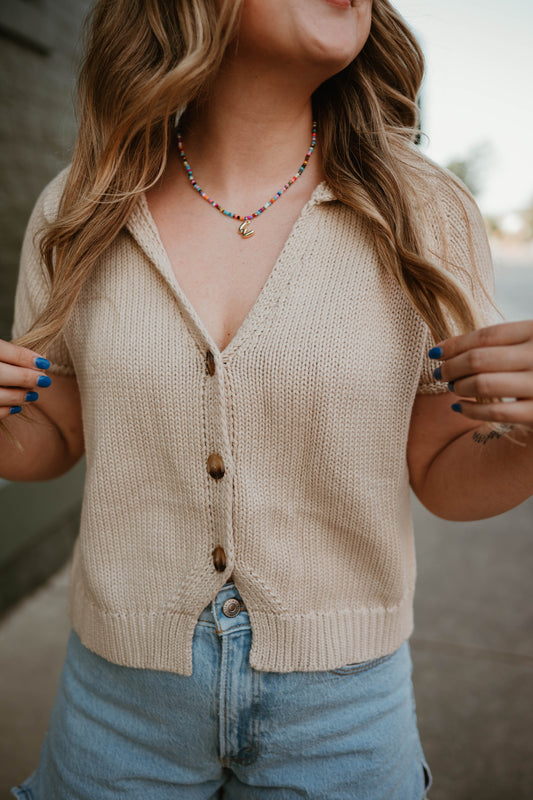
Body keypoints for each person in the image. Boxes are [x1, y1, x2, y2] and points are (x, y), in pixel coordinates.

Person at [2, 0, 532, 797]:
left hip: (344, 710)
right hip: (118, 702)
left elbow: (442, 472)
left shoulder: (423, 210)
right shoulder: (83, 203)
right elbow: (52, 436)